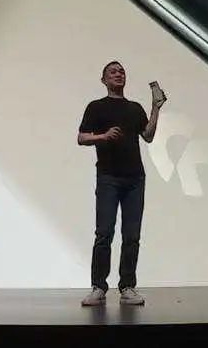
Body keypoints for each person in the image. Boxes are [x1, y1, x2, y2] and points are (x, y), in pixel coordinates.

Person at [78, 61, 164, 306]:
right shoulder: (96, 107)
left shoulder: (134, 108)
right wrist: (103, 136)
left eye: (121, 71)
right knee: (104, 233)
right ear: (104, 80)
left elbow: (148, 136)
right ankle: (98, 287)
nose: (118, 74)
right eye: (113, 72)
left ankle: (127, 286)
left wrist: (155, 108)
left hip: (135, 178)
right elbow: (81, 137)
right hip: (108, 177)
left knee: (132, 235)